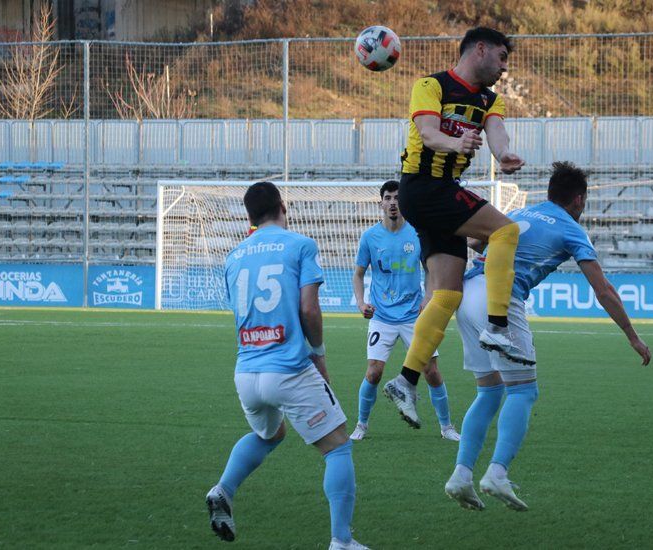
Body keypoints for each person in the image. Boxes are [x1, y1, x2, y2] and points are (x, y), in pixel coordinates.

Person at [443, 162, 652, 511]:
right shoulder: (572, 229)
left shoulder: (520, 210)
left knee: (490, 390)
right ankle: (497, 472)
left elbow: (477, 240)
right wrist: (632, 335)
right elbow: (604, 290)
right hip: (500, 298)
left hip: (466, 293)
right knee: (524, 391)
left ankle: (461, 475)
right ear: (579, 201)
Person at [206, 181, 367, 550]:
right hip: (289, 368)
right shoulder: (300, 245)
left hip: (247, 371)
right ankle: (342, 542)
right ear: (282, 206)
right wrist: (319, 352)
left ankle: (223, 489)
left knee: (269, 435)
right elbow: (308, 308)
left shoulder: (234, 256)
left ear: (249, 216)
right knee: (338, 447)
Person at [384, 27, 528, 421]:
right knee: (506, 231)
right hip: (423, 187)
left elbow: (497, 135)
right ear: (479, 49)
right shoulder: (431, 85)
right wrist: (456, 143)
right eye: (501, 57)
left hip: (438, 194)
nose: (503, 66)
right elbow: (428, 133)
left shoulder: (489, 100)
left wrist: (505, 155)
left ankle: (405, 381)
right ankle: (497, 329)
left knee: (447, 295)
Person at [350, 180, 460, 440]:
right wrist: (360, 302)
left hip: (414, 315)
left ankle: (447, 428)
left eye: (397, 198)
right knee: (374, 372)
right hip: (382, 317)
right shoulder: (370, 237)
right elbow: (358, 274)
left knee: (431, 371)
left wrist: (429, 297)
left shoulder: (417, 234)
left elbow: (431, 269)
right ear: (381, 203)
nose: (392, 203)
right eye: (387, 198)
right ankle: (361, 425)